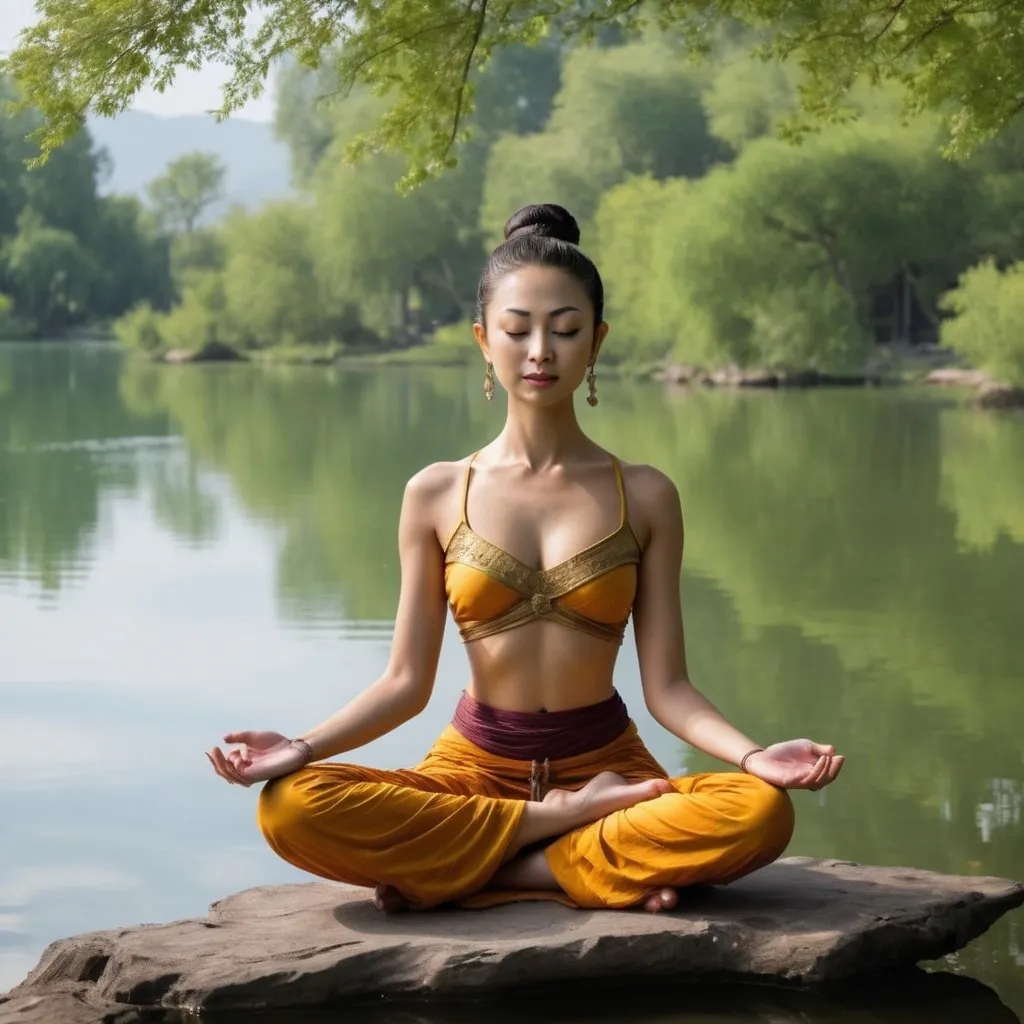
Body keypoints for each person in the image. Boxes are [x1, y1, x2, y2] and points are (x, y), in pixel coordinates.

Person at [207, 203, 844, 915]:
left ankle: (489, 865)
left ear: (596, 341)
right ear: (484, 340)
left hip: (611, 767)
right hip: (474, 770)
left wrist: (754, 756)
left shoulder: (647, 494)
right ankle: (564, 841)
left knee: (759, 812)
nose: (541, 350)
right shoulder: (437, 492)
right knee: (290, 807)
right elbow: (405, 683)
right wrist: (300, 746)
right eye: (518, 330)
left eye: (566, 330)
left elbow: (669, 689)